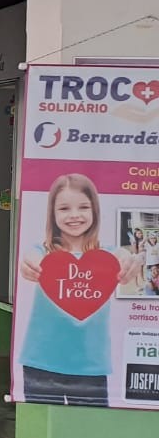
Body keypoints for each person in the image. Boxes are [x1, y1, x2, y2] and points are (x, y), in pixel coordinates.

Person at [18, 173, 139, 406]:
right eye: (64, 208)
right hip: (40, 363)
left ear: (95, 211)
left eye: (83, 207)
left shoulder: (109, 255)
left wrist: (131, 261)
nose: (74, 215)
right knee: (43, 426)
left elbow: (126, 257)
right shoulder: (42, 253)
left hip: (91, 367)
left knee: (90, 427)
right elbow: (29, 258)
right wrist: (28, 265)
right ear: (52, 214)